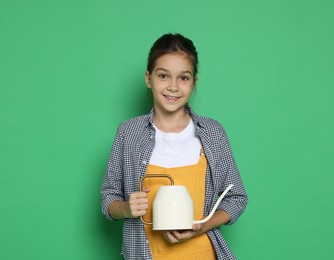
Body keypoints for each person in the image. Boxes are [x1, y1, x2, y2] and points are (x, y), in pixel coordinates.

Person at [101, 33, 248, 260]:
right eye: (163, 76)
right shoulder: (127, 133)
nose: (173, 87)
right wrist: (125, 209)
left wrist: (202, 226)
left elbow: (236, 197)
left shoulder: (213, 132)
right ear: (148, 78)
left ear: (194, 82)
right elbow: (109, 196)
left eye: (183, 78)